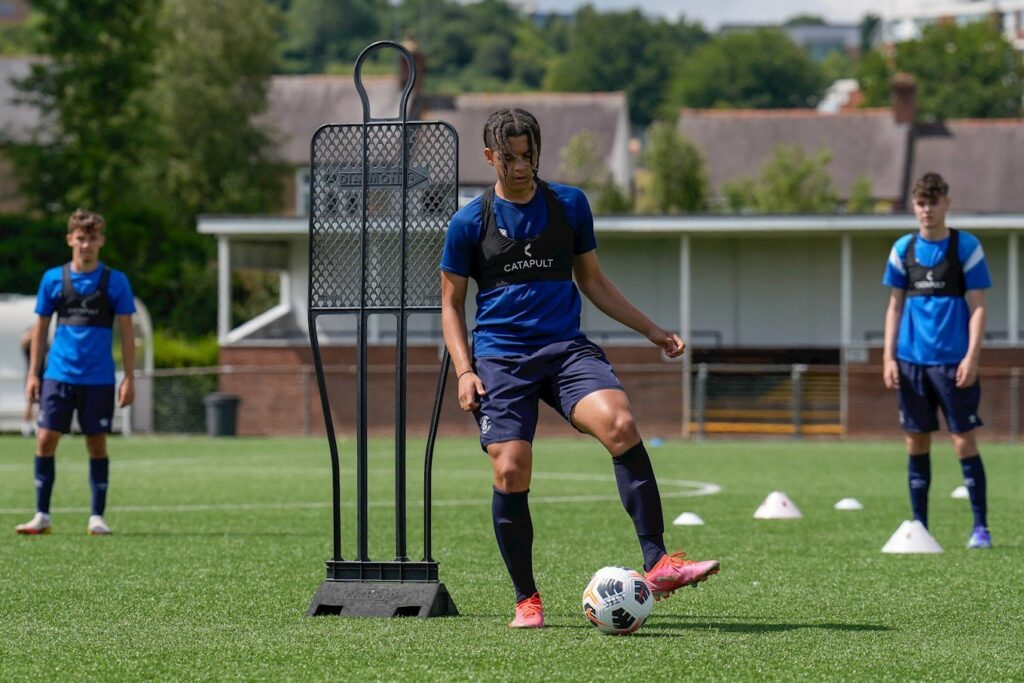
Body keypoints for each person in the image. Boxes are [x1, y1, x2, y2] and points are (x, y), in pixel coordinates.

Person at [440, 108, 719, 629]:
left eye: (529, 155)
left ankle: (657, 563)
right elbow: (450, 305)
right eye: (509, 157)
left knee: (621, 423)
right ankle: (527, 598)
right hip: (501, 359)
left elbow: (593, 281)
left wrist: (652, 330)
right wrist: (464, 370)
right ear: (489, 157)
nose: (521, 166)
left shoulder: (569, 205)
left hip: (565, 350)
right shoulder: (467, 223)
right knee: (510, 468)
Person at [882, 172, 992, 549]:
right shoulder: (903, 249)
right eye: (921, 203)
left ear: (946, 203)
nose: (927, 210)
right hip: (911, 362)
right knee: (916, 441)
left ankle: (980, 528)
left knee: (963, 442)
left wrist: (972, 356)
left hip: (953, 362)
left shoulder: (966, 247)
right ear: (914, 207)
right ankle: (920, 527)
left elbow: (978, 307)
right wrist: (889, 357)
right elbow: (894, 306)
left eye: (933, 202)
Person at [16, 208, 136, 536]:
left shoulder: (116, 282)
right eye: (80, 238)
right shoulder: (53, 279)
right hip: (58, 375)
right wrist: (33, 375)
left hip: (98, 378)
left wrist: (129, 377)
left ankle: (97, 516)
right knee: (45, 438)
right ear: (70, 239)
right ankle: (42, 514)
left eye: (92, 238)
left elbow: (127, 333)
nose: (86, 244)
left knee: (97, 443)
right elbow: (39, 329)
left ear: (102, 242)